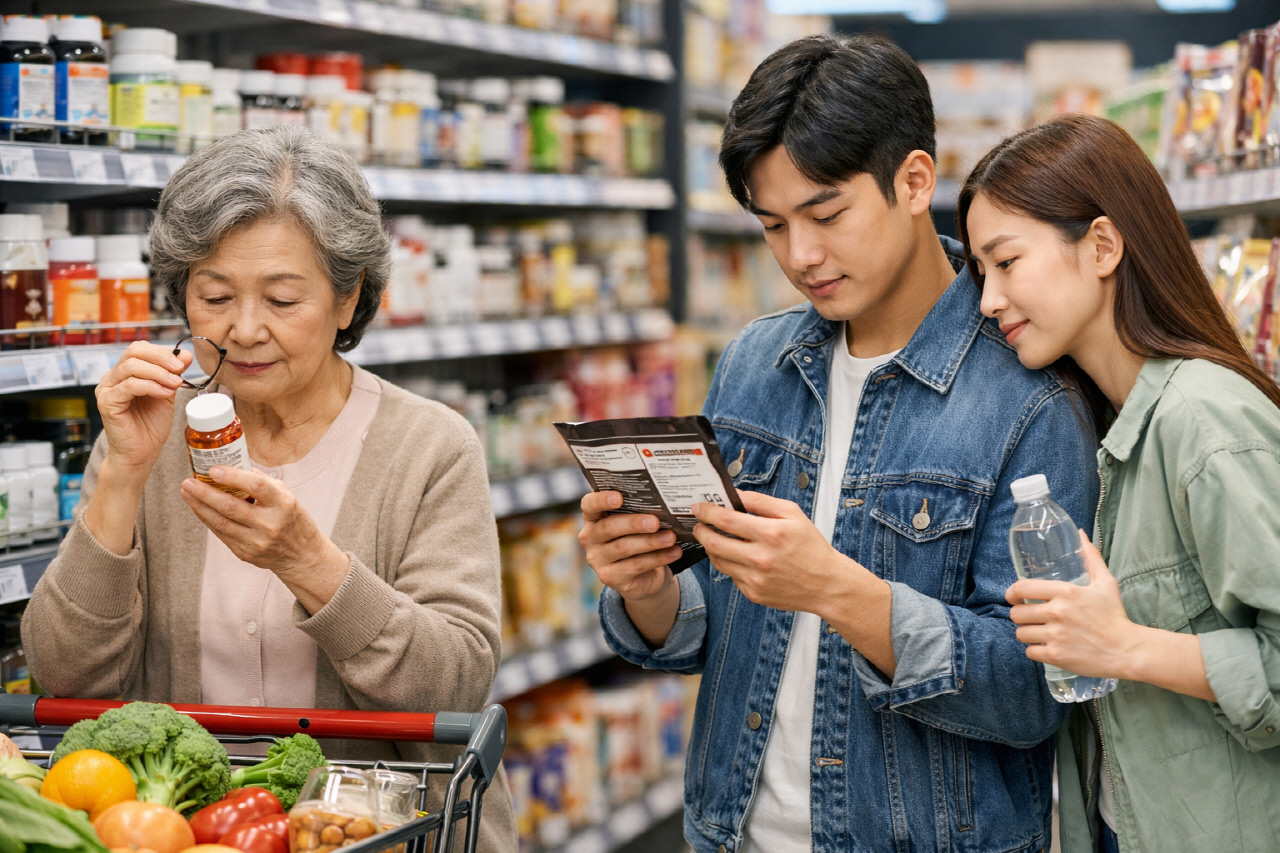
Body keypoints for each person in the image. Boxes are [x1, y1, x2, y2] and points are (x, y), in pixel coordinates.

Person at [577, 34, 1098, 853]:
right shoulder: (756, 361)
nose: (801, 256)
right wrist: (645, 586)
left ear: (915, 181)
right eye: (773, 225)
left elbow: (1038, 692)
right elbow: (708, 628)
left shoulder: (1029, 395)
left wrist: (840, 591)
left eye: (826, 214)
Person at [21, 125, 516, 850]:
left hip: (376, 832)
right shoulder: (151, 434)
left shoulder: (430, 445)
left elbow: (456, 683)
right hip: (189, 833)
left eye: (282, 299)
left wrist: (309, 563)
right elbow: (63, 678)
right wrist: (122, 477)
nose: (244, 329)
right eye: (214, 294)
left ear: (349, 299)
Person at [960, 113, 1280, 853]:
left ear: (1102, 245)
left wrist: (1123, 645)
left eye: (1006, 262)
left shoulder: (1203, 421)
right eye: (980, 272)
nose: (988, 300)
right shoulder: (1105, 425)